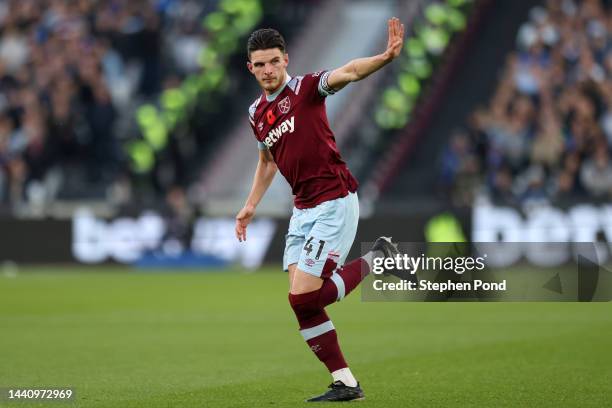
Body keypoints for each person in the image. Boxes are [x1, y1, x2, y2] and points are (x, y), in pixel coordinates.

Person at [235, 17, 405, 402]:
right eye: (259, 64)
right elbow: (267, 162)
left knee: (304, 298)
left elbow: (348, 72)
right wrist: (249, 206)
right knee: (302, 304)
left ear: (285, 59)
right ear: (250, 68)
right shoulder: (255, 114)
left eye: (273, 61)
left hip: (335, 201)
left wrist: (384, 57)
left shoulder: (308, 88)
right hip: (303, 210)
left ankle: (377, 257)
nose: (267, 70)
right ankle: (345, 382)